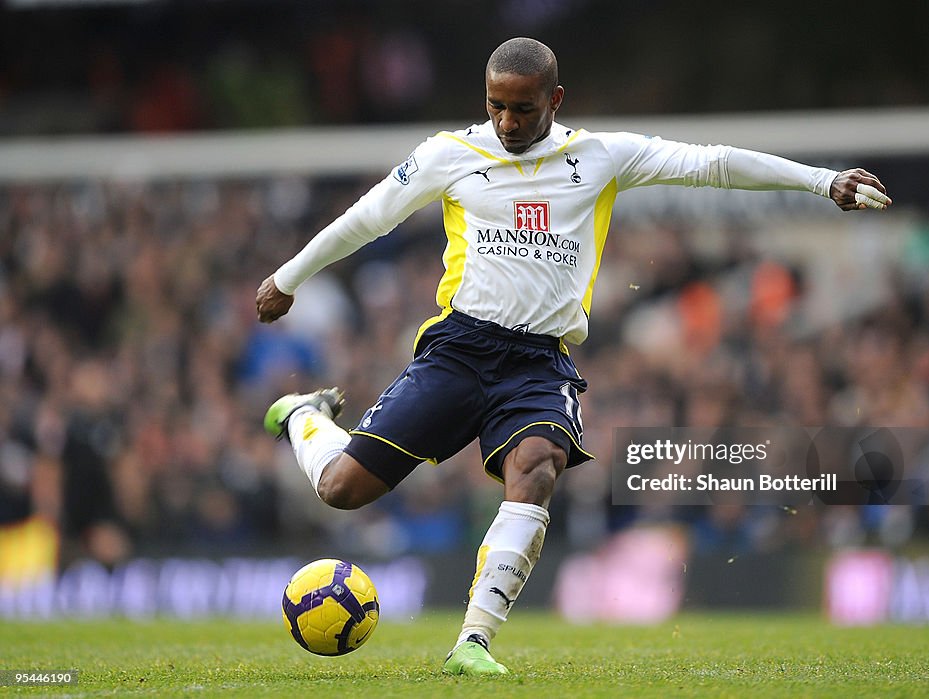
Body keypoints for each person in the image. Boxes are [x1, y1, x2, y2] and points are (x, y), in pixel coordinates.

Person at [256, 37, 891, 675]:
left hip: (538, 362)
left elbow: (714, 164)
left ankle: (472, 642)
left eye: (523, 109)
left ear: (555, 100)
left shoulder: (600, 157)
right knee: (341, 490)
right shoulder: (449, 155)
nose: (507, 122)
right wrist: (287, 278)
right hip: (458, 351)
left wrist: (823, 180)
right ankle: (306, 415)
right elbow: (368, 218)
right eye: (496, 106)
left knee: (538, 464)